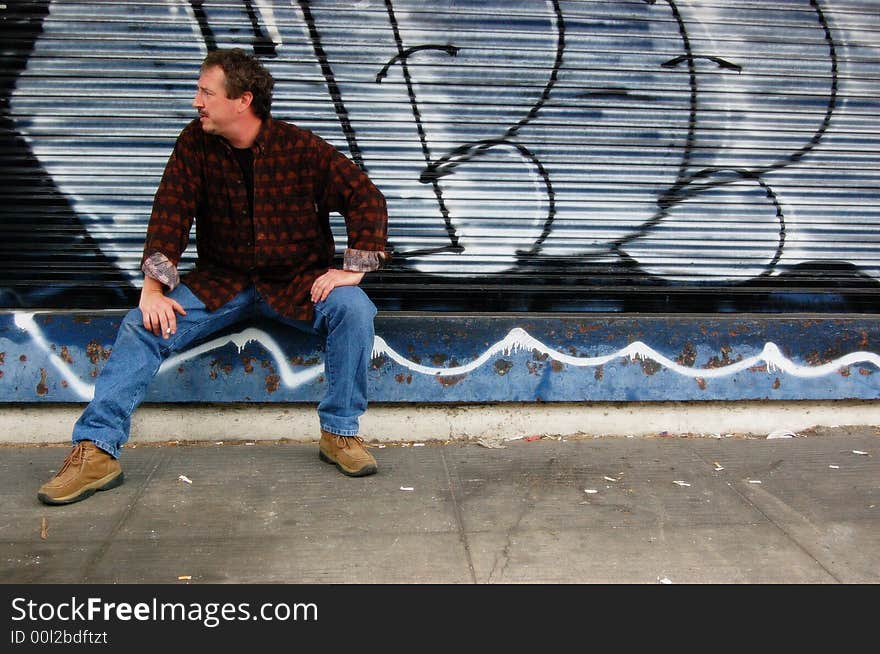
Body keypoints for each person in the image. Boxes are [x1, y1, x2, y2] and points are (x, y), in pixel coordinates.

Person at [37, 48, 388, 505]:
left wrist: (351, 271)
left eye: (206, 92)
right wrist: (153, 289)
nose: (196, 102)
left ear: (242, 100)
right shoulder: (194, 144)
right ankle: (96, 449)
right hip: (223, 283)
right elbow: (170, 213)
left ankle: (339, 433)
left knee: (354, 309)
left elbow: (366, 198)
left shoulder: (301, 148)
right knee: (139, 325)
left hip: (297, 282)